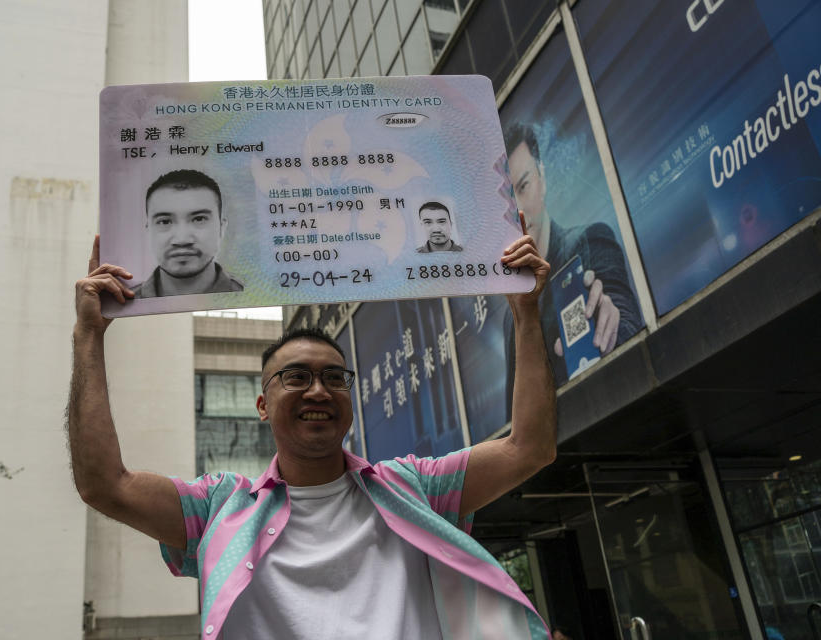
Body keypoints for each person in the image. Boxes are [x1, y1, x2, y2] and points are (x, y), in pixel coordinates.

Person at [67, 226, 556, 638]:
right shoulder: (216, 510)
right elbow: (104, 485)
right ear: (262, 405)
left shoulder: (415, 488)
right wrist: (88, 335)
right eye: (296, 377)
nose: (318, 391)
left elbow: (527, 449)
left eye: (334, 378)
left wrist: (525, 314)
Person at [503, 122, 641, 390]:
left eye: (523, 186)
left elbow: (625, 318)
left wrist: (610, 328)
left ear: (542, 179)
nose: (518, 211)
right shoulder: (512, 317)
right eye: (508, 202)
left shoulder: (589, 241)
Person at [132, 169, 243, 297]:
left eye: (199, 219)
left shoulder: (251, 298)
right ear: (148, 231)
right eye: (165, 222)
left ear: (221, 228)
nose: (182, 239)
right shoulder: (122, 304)